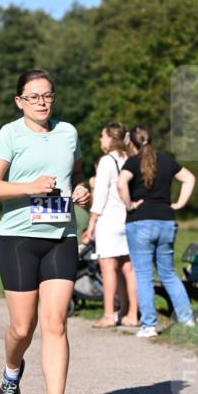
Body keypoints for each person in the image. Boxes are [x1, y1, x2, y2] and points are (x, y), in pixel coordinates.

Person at [0, 68, 91, 394]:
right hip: (18, 238)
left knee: (56, 322)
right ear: (19, 101)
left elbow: (76, 174)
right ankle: (12, 370)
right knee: (22, 327)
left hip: (61, 236)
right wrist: (30, 187)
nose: (42, 103)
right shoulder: (9, 135)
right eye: (34, 97)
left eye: (47, 96)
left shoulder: (69, 132)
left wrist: (81, 190)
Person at [117, 126, 196, 338]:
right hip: (166, 222)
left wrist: (129, 205)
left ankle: (149, 326)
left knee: (143, 275)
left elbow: (121, 183)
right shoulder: (167, 160)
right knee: (168, 273)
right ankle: (187, 319)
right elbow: (189, 178)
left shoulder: (132, 162)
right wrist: (179, 203)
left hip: (139, 222)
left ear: (131, 143)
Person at [82, 122, 139, 328]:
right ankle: (131, 313)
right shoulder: (131, 159)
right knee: (128, 268)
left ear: (111, 139)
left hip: (109, 219)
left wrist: (91, 223)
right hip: (129, 218)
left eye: (103, 136)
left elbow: (101, 196)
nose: (100, 140)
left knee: (108, 268)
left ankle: (108, 314)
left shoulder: (107, 161)